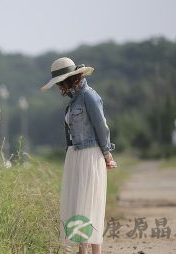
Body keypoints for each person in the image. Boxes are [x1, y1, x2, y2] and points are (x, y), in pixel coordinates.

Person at [41, 57, 117, 254]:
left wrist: (107, 154)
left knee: (90, 204)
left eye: (59, 84)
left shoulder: (89, 96)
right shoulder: (74, 100)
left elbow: (102, 127)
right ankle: (83, 250)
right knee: (78, 205)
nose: (59, 88)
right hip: (75, 155)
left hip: (90, 155)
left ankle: (93, 252)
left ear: (68, 80)